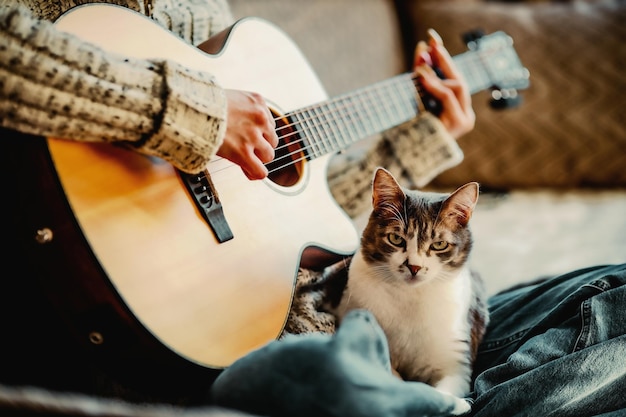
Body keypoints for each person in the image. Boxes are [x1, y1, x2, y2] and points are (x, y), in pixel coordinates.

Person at [0, 1, 624, 417]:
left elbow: (285, 213)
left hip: (312, 316)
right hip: (177, 331)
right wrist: (194, 114)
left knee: (615, 295)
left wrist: (424, 137)